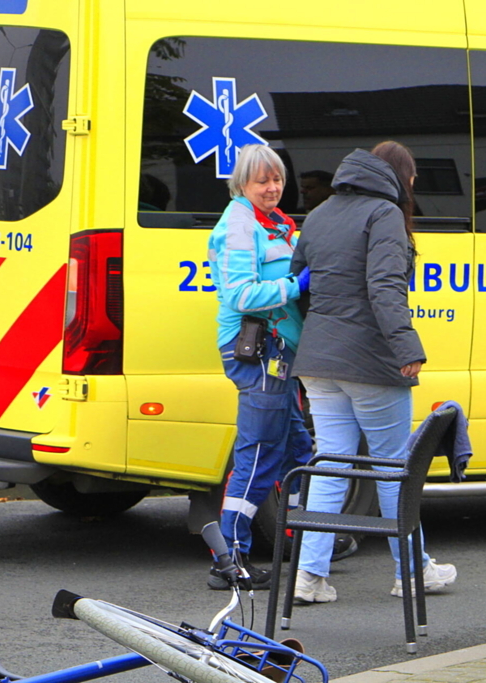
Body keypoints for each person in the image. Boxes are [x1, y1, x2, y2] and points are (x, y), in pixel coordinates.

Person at [287, 141, 456, 604]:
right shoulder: (383, 214)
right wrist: (406, 346)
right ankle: (412, 572)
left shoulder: (319, 213)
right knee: (392, 469)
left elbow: (298, 284)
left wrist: (320, 338)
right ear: (401, 177)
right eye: (413, 179)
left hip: (319, 362)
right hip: (370, 362)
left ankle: (308, 576)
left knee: (330, 466)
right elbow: (384, 285)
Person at [206, 144, 313, 590]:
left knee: (298, 450)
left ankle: (314, 540)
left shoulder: (273, 223)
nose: (272, 188)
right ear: (242, 184)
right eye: (262, 180)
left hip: (276, 353)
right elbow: (240, 295)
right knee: (260, 454)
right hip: (258, 351)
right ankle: (230, 559)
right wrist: (295, 285)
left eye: (278, 179)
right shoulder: (240, 223)